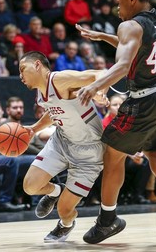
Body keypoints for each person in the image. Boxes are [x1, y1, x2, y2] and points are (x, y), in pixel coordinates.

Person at [76, 0, 156, 243]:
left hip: (144, 100)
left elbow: (124, 65)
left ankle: (107, 220)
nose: (116, 6)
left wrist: (95, 85)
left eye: (119, 1)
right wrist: (103, 37)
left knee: (113, 153)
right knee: (154, 149)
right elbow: (137, 48)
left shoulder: (129, 25)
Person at [19, 51, 105, 242]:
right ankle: (55, 191)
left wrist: (99, 91)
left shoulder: (59, 79)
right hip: (61, 141)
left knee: (64, 210)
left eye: (22, 69)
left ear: (38, 65)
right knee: (30, 187)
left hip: (89, 152)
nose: (20, 76)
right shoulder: (41, 93)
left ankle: (66, 224)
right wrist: (33, 129)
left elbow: (99, 74)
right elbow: (55, 112)